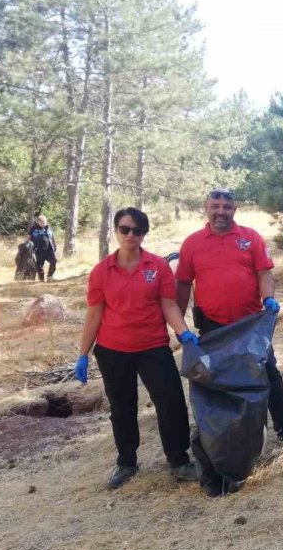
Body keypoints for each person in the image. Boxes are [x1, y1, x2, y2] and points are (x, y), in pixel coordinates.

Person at [75, 208, 198, 489]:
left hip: (153, 346)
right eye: (125, 229)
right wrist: (83, 354)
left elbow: (168, 305)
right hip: (112, 349)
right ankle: (126, 461)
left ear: (144, 233)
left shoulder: (158, 266)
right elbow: (94, 314)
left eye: (137, 230)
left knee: (171, 402)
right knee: (122, 407)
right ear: (116, 231)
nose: (131, 235)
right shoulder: (101, 271)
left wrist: (184, 333)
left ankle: (179, 460)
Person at [175, 188, 283, 444]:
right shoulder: (192, 243)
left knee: (268, 373)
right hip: (213, 327)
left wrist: (268, 298)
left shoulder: (250, 237)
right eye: (215, 206)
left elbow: (264, 273)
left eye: (226, 206)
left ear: (234, 210)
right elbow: (183, 284)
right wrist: (181, 327)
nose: (221, 211)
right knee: (218, 380)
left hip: (250, 324)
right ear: (206, 208)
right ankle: (227, 433)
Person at [29, 215, 58, 281]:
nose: (43, 224)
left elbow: (52, 237)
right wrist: (28, 245)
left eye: (44, 222)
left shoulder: (49, 228)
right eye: (42, 223)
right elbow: (29, 237)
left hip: (49, 250)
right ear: (38, 222)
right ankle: (41, 278)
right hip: (38, 250)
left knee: (54, 261)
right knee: (39, 265)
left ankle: (50, 276)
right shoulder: (34, 229)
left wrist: (54, 245)